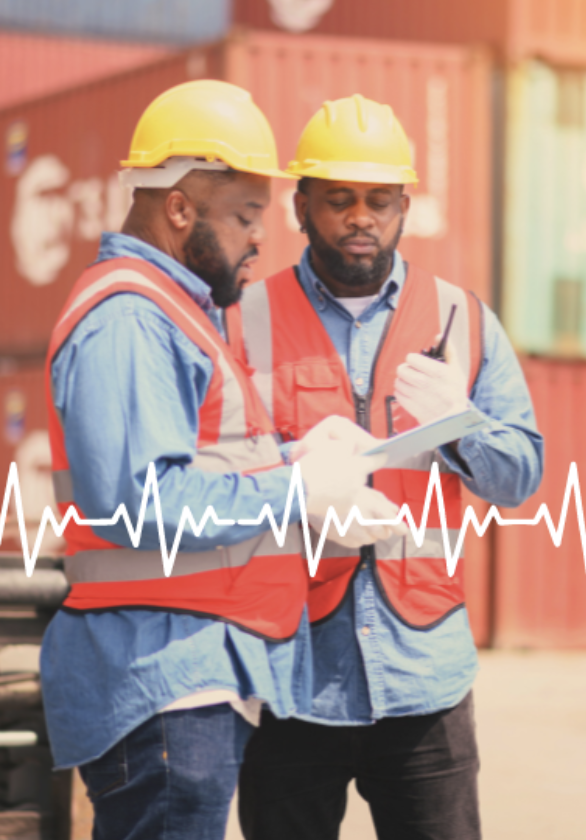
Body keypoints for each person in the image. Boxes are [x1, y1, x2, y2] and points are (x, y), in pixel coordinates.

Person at [39, 80, 400, 840]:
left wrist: (298, 458)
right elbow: (138, 503)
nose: (258, 239)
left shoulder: (174, 314)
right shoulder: (132, 319)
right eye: (243, 216)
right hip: (163, 678)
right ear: (179, 209)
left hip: (188, 675)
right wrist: (298, 488)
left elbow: (198, 463)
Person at [231, 94, 545, 840]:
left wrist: (458, 430)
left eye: (378, 200)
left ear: (405, 206)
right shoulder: (242, 323)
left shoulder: (461, 320)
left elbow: (521, 476)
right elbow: (209, 473)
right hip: (290, 676)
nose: (360, 217)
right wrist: (288, 469)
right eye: (339, 200)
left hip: (424, 678)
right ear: (301, 206)